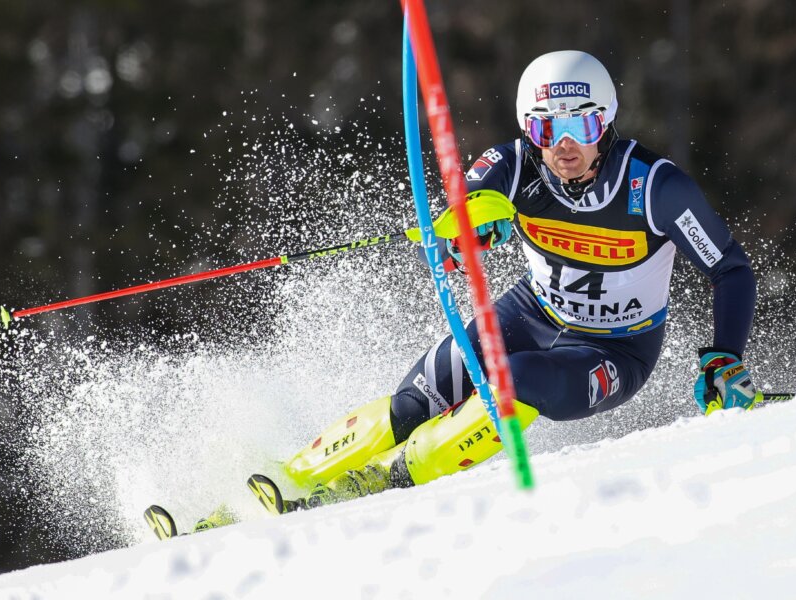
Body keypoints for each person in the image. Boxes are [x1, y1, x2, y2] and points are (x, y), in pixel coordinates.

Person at [231, 50, 759, 522]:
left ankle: (384, 482)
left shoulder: (656, 187)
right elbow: (467, 205)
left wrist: (724, 358)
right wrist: (467, 232)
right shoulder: (512, 163)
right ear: (530, 131)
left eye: (585, 126)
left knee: (516, 380)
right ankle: (287, 478)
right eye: (548, 130)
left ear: (608, 123)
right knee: (415, 402)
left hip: (614, 349)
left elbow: (730, 269)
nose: (567, 146)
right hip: (529, 315)